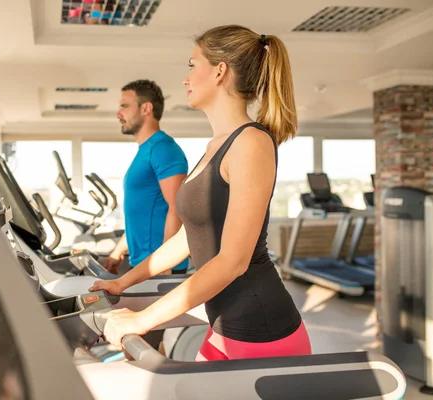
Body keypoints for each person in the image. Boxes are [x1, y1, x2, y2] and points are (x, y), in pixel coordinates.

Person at [90, 25, 312, 361]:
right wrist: (123, 282)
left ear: (220, 71)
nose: (186, 78)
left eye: (193, 66)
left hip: (261, 331)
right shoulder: (215, 147)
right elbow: (184, 240)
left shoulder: (251, 142)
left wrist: (144, 319)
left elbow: (233, 261)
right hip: (224, 324)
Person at [105, 79, 189, 275]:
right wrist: (118, 252)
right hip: (145, 265)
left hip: (160, 268)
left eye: (125, 106)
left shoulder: (163, 148)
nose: (118, 114)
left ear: (146, 109)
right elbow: (141, 214)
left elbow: (178, 208)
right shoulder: (146, 151)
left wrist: (165, 264)